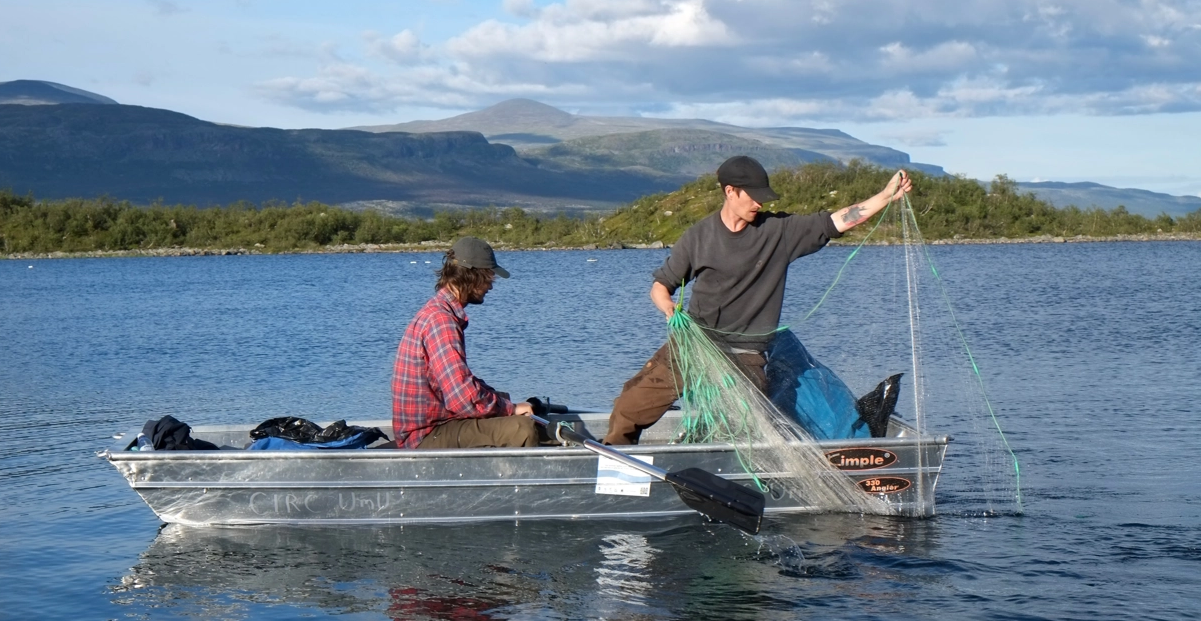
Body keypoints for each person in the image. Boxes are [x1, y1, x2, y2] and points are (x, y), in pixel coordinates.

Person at [603, 155, 913, 445]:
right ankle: (614, 478)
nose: (759, 202)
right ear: (730, 192)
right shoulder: (699, 237)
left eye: (762, 195)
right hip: (692, 345)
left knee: (737, 430)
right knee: (630, 407)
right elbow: (661, 285)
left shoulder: (778, 232)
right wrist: (669, 307)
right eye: (752, 195)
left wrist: (885, 196)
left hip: (745, 356)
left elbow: (839, 220)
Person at [391, 236, 536, 449]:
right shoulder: (441, 321)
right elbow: (461, 397)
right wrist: (510, 409)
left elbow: (458, 384)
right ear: (471, 275)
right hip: (426, 435)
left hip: (440, 425)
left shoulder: (438, 311)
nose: (491, 286)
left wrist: (499, 398)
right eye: (489, 277)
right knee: (522, 429)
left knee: (515, 414)